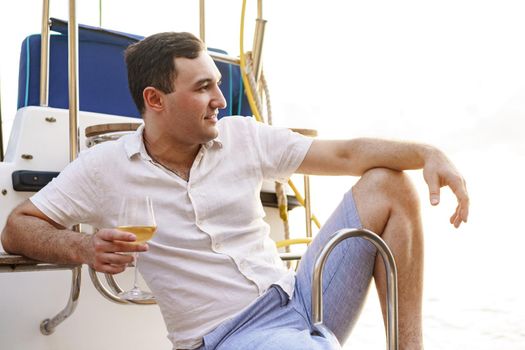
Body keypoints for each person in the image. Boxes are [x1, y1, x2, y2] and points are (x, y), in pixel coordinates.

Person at [1, 32, 469, 350]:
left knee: (389, 182)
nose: (220, 101)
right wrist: (82, 245)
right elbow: (17, 228)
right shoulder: (105, 168)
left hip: (300, 294)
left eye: (218, 86)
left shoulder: (242, 135)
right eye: (203, 88)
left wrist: (429, 153)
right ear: (155, 99)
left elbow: (347, 156)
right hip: (226, 335)